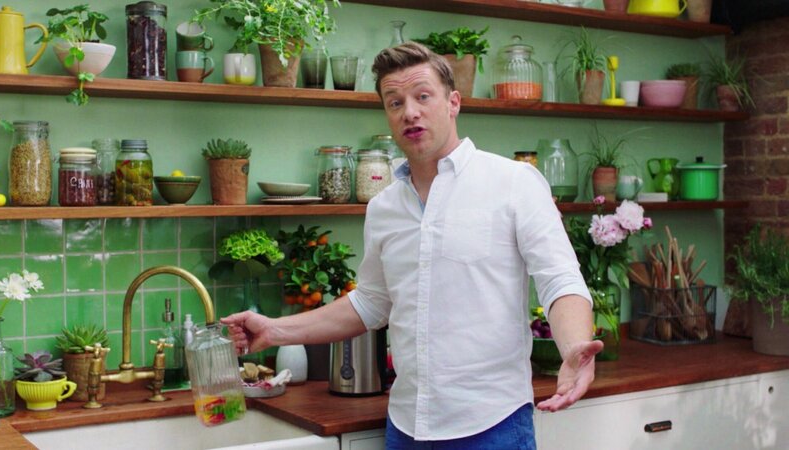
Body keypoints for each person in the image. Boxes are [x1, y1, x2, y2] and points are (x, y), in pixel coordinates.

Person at [222, 42, 603, 449]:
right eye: (395, 102)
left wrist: (574, 347)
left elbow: (559, 279)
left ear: (453, 102)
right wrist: (274, 330)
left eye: (423, 96)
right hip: (406, 427)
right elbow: (370, 303)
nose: (410, 112)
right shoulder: (383, 207)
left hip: (493, 424)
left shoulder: (513, 183)